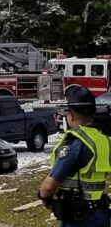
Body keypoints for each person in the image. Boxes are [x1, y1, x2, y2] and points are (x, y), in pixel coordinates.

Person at [39, 86, 111, 226]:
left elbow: (49, 186)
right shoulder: (105, 140)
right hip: (101, 213)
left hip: (78, 216)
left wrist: (43, 196)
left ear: (71, 114)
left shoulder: (75, 143)